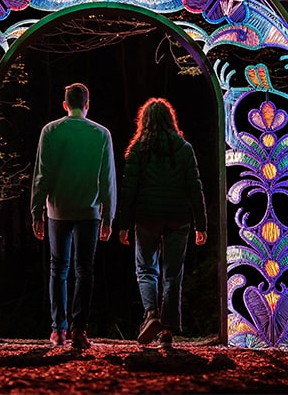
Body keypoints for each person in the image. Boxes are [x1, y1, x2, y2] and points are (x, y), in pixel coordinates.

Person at [31, 82, 117, 350]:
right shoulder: (101, 134)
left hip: (57, 209)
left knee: (58, 269)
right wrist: (108, 215)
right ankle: (80, 330)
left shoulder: (50, 131)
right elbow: (107, 178)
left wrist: (36, 211)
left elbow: (41, 174)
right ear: (87, 104)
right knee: (84, 271)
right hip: (89, 211)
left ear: (65, 104)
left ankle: (58, 330)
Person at [118, 97, 207, 348]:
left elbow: (129, 189)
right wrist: (201, 224)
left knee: (146, 269)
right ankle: (167, 330)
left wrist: (123, 223)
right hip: (178, 218)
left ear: (144, 121)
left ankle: (151, 314)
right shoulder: (184, 148)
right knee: (172, 273)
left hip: (146, 217)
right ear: (171, 120)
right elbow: (194, 187)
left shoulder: (138, 150)